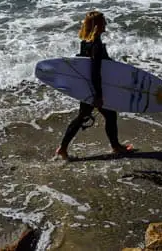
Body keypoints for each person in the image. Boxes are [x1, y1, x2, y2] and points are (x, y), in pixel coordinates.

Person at [55, 10, 134, 160]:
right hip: (94, 88)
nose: (106, 24)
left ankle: (64, 148)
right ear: (98, 24)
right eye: (103, 21)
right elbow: (95, 72)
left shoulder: (85, 42)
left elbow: (87, 67)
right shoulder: (96, 44)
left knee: (100, 116)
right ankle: (63, 148)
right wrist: (98, 95)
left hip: (88, 87)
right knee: (90, 117)